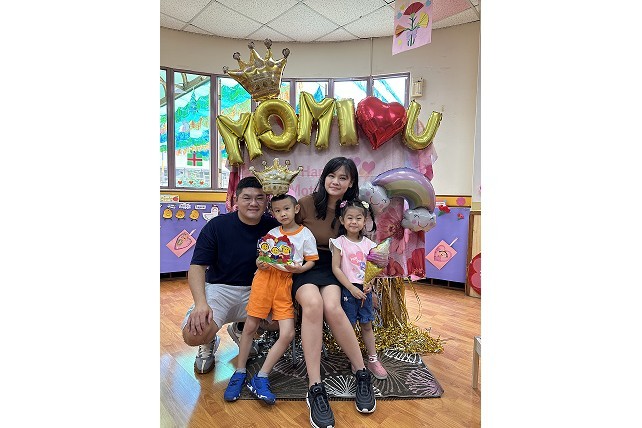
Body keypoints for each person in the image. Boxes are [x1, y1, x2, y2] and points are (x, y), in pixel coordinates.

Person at [293, 156, 376, 428]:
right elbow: (284, 229)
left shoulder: (350, 211)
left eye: (343, 178)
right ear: (324, 177)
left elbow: (360, 247)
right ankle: (315, 387)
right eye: (332, 175)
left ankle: (362, 373)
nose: (336, 182)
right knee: (313, 305)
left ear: (351, 183)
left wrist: (367, 277)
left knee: (332, 306)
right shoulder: (305, 204)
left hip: (333, 268)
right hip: (306, 266)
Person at [224, 194, 319, 404]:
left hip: (285, 284)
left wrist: (300, 269)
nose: (282, 214)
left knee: (288, 333)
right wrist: (259, 263)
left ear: (296, 209)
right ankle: (239, 372)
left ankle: (261, 376)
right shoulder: (272, 233)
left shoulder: (305, 234)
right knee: (250, 326)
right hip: (264, 280)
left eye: (286, 209)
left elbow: (312, 260)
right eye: (277, 211)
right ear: (273, 213)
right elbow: (262, 257)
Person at [181, 176, 279, 374]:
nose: (253, 203)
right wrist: (200, 304)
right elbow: (197, 266)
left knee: (283, 320)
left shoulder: (274, 227)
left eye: (259, 198)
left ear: (266, 201)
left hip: (256, 290)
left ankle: (241, 329)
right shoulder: (217, 226)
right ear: (236, 199)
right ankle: (208, 340)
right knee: (193, 335)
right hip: (220, 289)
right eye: (247, 198)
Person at [330, 199, 388, 380]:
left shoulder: (370, 245)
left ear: (365, 221)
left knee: (367, 324)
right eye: (349, 218)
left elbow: (374, 268)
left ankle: (372, 359)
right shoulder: (339, 243)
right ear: (342, 220)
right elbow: (336, 268)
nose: (354, 222)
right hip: (348, 290)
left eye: (358, 218)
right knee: (350, 326)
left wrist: (370, 283)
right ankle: (355, 360)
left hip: (365, 290)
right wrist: (350, 288)